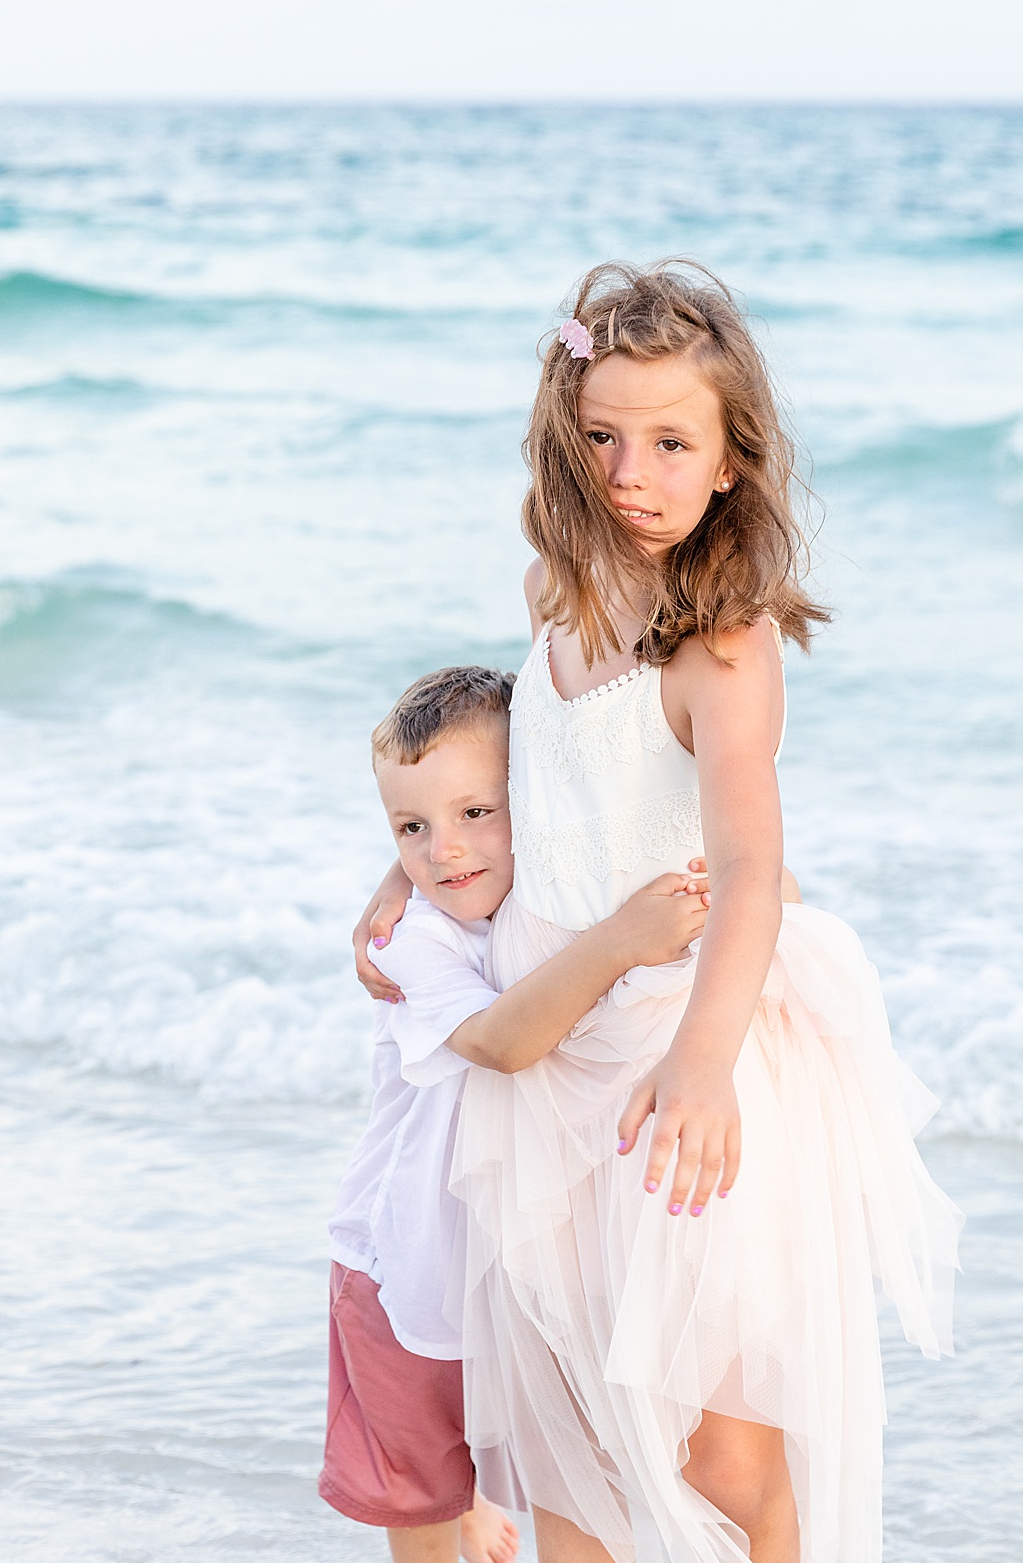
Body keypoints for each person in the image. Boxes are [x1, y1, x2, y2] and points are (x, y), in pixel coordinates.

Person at [354, 264, 961, 1563]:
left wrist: (702, 1065)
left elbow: (748, 868)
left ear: (733, 460)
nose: (632, 472)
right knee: (564, 1420)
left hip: (681, 1047)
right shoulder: (553, 587)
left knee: (715, 1445)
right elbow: (517, 765)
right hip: (550, 1051)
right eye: (601, 437)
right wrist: (415, 867)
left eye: (672, 442)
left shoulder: (719, 647)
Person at [322, 663, 717, 1563]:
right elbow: (504, 1041)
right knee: (415, 1486)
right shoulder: (413, 939)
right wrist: (623, 940)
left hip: (526, 1274)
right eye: (410, 829)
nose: (443, 853)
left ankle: (472, 1503)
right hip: (405, 1272)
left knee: (571, 1481)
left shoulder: (551, 907)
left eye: (473, 815)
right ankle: (453, 1512)